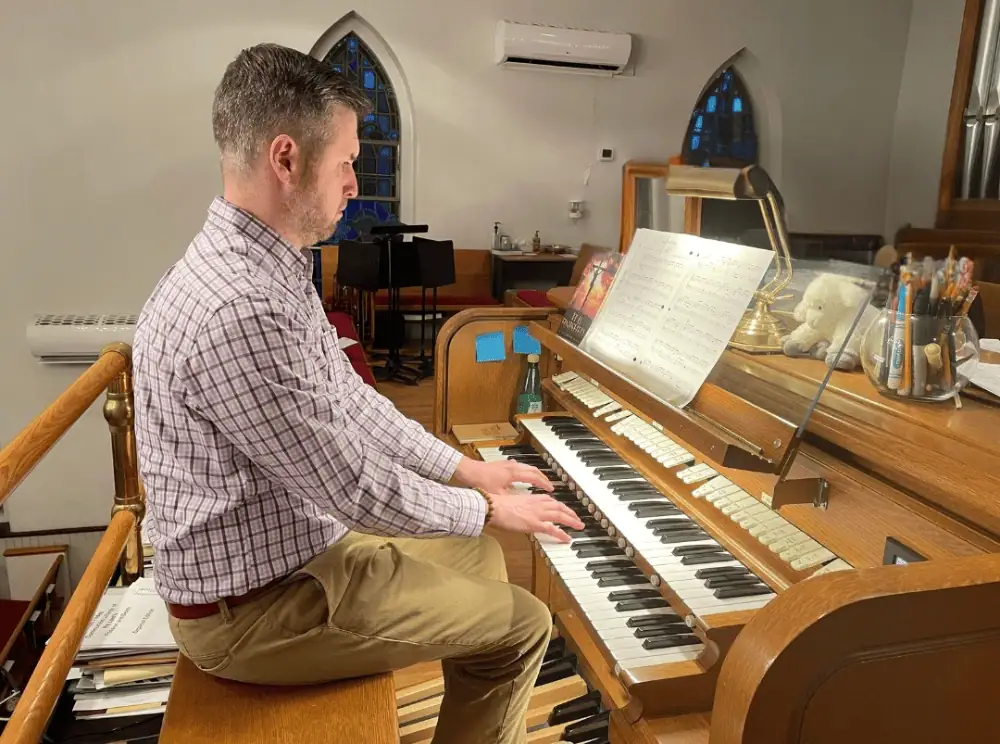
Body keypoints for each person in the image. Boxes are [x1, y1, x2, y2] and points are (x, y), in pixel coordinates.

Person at [131, 43, 584, 744]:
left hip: (291, 551)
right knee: (523, 626)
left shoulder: (271, 263)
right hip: (251, 612)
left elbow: (351, 399)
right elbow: (353, 489)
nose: (353, 183)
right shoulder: (239, 306)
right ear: (286, 159)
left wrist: (470, 472)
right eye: (345, 162)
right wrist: (487, 505)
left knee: (478, 554)